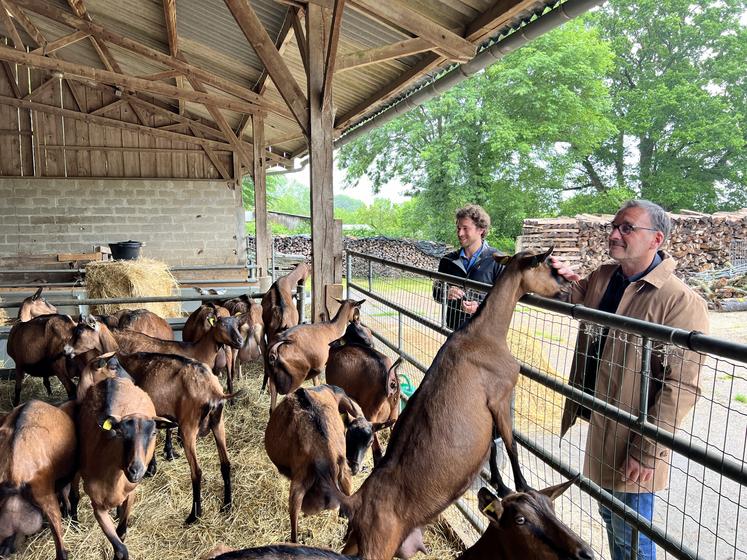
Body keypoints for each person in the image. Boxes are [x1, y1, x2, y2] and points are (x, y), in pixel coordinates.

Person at [553, 200, 709, 560]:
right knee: (610, 515)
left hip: (634, 437)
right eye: (614, 225)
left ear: (656, 239)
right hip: (603, 422)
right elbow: (571, 294)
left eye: (627, 228)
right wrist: (551, 273)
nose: (613, 234)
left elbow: (681, 387)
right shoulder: (605, 278)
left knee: (632, 536)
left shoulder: (680, 302)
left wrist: (648, 450)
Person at [432, 204, 506, 331]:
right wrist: (446, 292)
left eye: (465, 228)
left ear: (481, 229)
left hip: (483, 333)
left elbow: (504, 300)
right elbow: (436, 293)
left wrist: (480, 308)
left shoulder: (498, 260)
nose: (460, 233)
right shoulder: (447, 260)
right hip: (454, 332)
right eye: (458, 228)